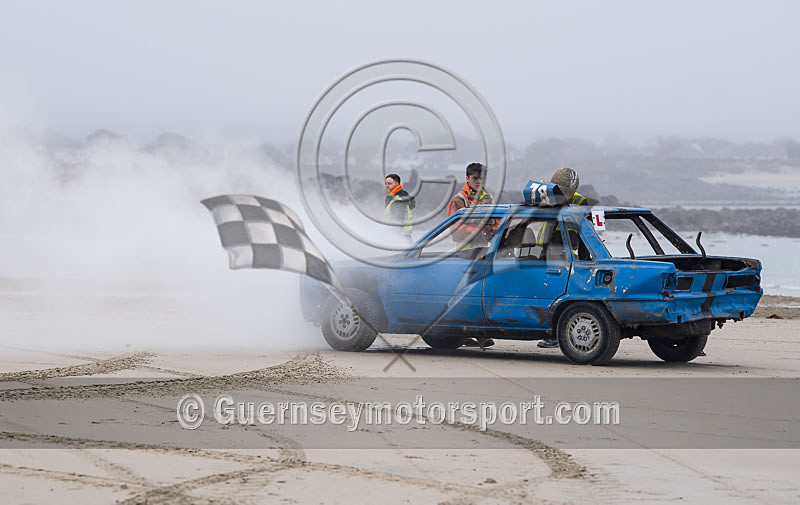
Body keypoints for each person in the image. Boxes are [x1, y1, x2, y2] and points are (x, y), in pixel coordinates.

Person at [538, 167, 591, 349]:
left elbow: (587, 234)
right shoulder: (547, 197)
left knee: (560, 298)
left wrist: (586, 260)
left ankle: (555, 335)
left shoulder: (580, 202)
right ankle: (550, 333)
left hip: (567, 257)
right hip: (546, 252)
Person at [446, 162, 496, 348]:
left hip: (483, 249)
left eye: (482, 179)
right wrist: (479, 231)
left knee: (481, 294)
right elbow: (455, 229)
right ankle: (463, 333)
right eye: (475, 178)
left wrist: (493, 231)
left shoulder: (488, 198)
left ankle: (480, 333)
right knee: (465, 295)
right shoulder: (458, 200)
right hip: (465, 251)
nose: (479, 182)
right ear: (467, 178)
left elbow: (495, 221)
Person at [384, 174, 415, 240]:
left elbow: (398, 218)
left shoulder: (400, 198)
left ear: (397, 184)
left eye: (389, 183)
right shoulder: (391, 197)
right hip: (399, 235)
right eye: (386, 183)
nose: (387, 186)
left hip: (400, 236)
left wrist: (393, 234)